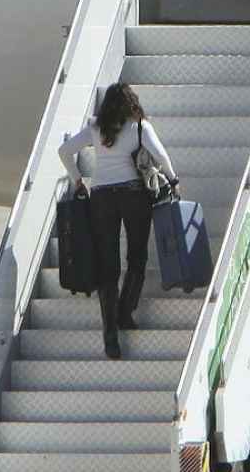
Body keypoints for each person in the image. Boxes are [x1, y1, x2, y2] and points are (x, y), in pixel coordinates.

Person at [57, 83, 177, 359]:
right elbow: (161, 156)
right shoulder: (139, 127)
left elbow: (64, 151)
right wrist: (173, 179)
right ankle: (125, 311)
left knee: (107, 266)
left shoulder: (96, 129)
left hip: (101, 198)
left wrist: (78, 181)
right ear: (131, 103)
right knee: (136, 256)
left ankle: (110, 335)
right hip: (134, 195)